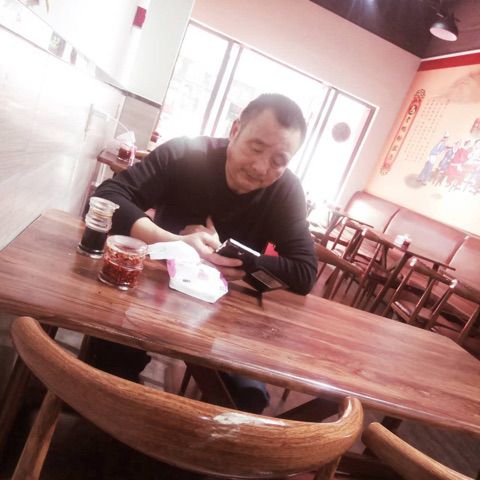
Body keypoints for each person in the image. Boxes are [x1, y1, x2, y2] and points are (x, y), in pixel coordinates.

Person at [90, 93, 317, 413]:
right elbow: (108, 195)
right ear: (235, 130)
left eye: (278, 161)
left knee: (247, 397)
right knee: (106, 363)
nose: (260, 167)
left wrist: (233, 257)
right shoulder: (186, 153)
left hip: (225, 314)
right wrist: (174, 242)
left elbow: (305, 272)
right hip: (151, 291)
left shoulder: (285, 190)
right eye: (256, 148)